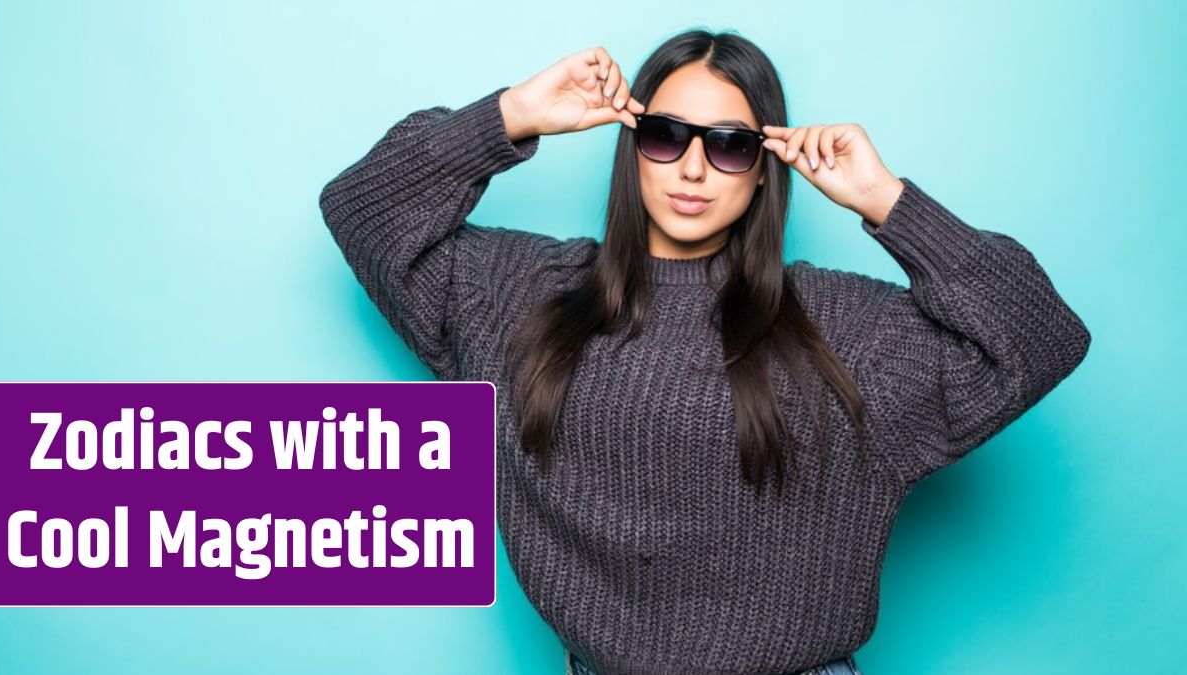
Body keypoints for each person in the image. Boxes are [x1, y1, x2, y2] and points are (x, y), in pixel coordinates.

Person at [318, 28, 1090, 675]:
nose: (692, 168)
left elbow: (1039, 334)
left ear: (762, 172)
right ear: (633, 145)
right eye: (665, 136)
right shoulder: (522, 294)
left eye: (729, 146)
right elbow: (363, 208)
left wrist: (887, 201)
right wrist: (513, 115)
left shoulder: (839, 326)